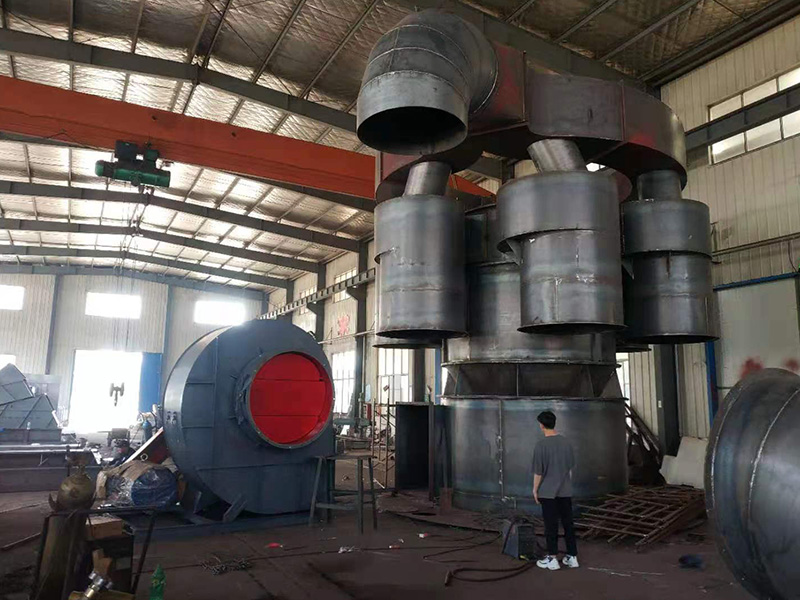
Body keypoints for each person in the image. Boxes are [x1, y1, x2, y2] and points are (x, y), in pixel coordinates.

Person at [532, 410, 579, 570]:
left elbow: (538, 472)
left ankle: (552, 559)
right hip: (565, 491)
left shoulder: (541, 445)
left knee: (550, 526)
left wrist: (535, 490)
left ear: (541, 425)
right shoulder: (566, 443)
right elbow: (570, 470)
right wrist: (566, 484)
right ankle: (572, 557)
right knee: (568, 524)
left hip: (547, 492)